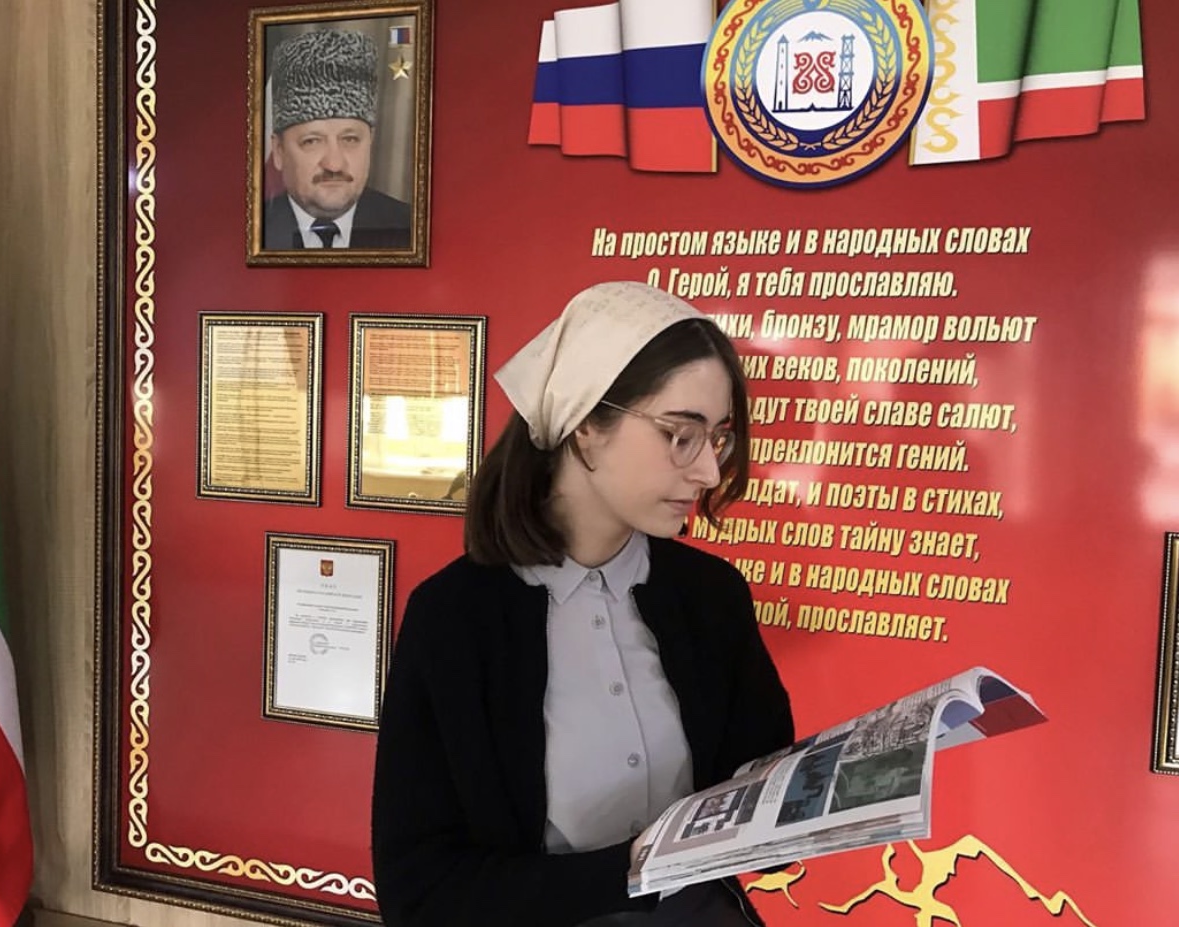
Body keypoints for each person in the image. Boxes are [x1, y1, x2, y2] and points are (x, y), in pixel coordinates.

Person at [371, 282, 795, 927]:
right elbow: (421, 889)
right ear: (588, 426)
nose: (709, 472)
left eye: (719, 438)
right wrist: (631, 871)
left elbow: (758, 791)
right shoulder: (455, 619)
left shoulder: (711, 596)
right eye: (680, 434)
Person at [263, 29, 411, 251]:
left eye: (350, 139)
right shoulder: (251, 230)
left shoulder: (409, 228)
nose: (334, 164)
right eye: (312, 141)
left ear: (370, 140)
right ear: (278, 151)